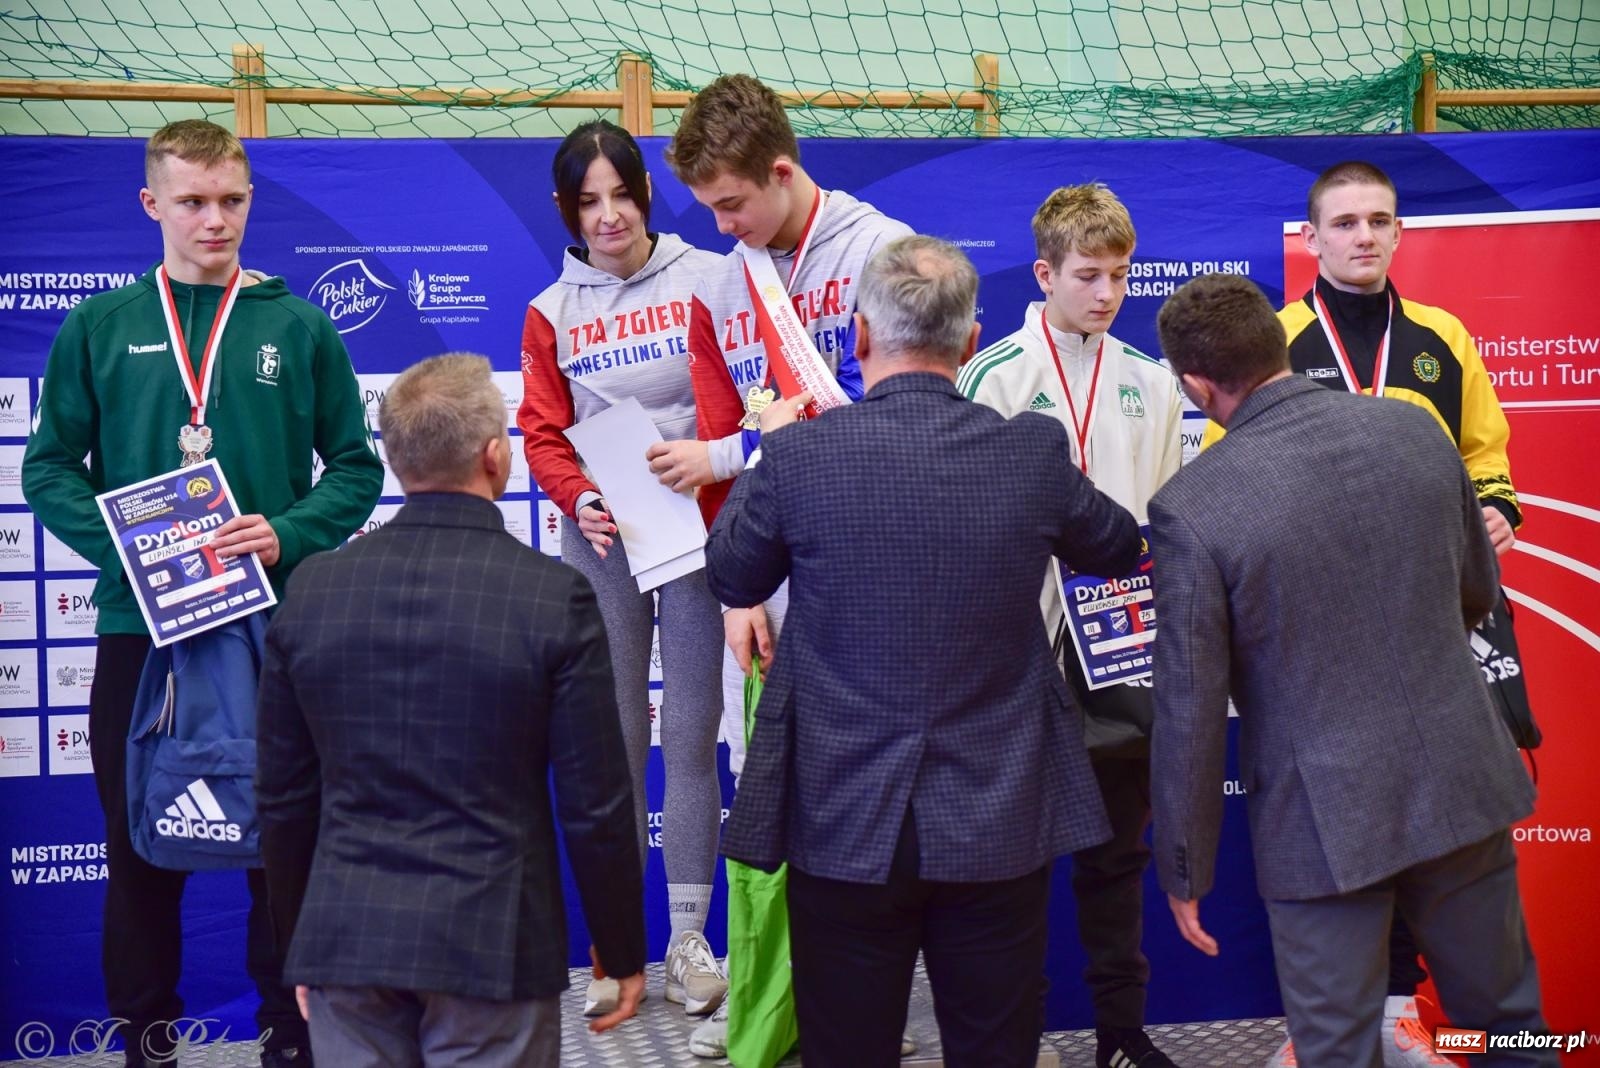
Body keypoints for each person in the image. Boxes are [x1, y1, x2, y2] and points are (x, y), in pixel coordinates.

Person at [707, 235, 1142, 1068]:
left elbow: (731, 569)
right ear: (972, 343)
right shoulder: (1032, 452)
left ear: (859, 340)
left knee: (847, 1048)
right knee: (994, 1046)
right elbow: (1119, 547)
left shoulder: (799, 456)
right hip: (998, 815)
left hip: (842, 819)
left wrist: (765, 438)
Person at [21, 118, 384, 1068]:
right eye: (191, 202)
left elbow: (353, 467)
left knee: (282, 843)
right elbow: (49, 467)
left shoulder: (298, 324)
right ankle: (147, 1042)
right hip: (141, 631)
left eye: (230, 200)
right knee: (139, 851)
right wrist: (130, 547)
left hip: (273, 628)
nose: (214, 220)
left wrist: (290, 531)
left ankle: (290, 1038)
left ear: (250, 199)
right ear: (153, 204)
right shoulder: (100, 325)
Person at [1147, 273, 1553, 1068]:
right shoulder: (1414, 431)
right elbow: (1476, 590)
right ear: (1279, 345)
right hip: (1462, 773)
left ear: (1196, 385)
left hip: (1320, 814)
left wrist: (1185, 866)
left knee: (1336, 1050)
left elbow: (1190, 709)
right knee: (1510, 1029)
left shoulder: (1192, 507)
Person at [256, 352, 647, 1066]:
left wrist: (299, 950)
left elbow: (282, 799)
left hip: (345, 944)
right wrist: (622, 949)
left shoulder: (312, 589)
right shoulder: (550, 596)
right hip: (494, 947)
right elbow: (595, 805)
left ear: (397, 459)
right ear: (496, 457)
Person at [1235, 160, 1524, 1068]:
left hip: (1432, 611)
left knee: (1433, 805)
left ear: (1399, 233)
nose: (1364, 236)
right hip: (1317, 628)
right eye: (1345, 222)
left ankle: (1410, 1007)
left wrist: (1497, 509)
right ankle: (1345, 1018)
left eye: (1379, 220)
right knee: (1338, 814)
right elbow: (1228, 476)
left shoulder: (1443, 337)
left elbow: (1486, 453)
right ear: (1311, 239)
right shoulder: (1272, 342)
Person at [648, 71, 913, 1057]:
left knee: (867, 807)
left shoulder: (882, 252)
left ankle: (866, 1013)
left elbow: (901, 420)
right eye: (708, 209)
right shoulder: (725, 281)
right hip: (771, 590)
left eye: (730, 204)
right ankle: (766, 1006)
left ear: (783, 171)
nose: (721, 227)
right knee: (764, 802)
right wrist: (740, 586)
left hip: (874, 585)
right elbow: (727, 440)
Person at [958, 183, 1182, 1068]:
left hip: (1122, 651)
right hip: (1018, 657)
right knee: (1009, 866)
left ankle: (1121, 1038)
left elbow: (1164, 516)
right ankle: (1013, 1037)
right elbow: (971, 524)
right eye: (1088, 275)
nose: (1107, 293)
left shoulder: (1150, 382)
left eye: (1121, 275)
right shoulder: (993, 377)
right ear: (1044, 272)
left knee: (1116, 856)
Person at [516, 119, 728, 1019]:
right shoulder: (549, 309)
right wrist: (577, 496)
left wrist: (707, 465)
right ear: (566, 208)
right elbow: (540, 428)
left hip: (696, 536)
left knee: (687, 736)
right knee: (607, 745)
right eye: (587, 201)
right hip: (602, 540)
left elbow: (727, 401)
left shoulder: (705, 279)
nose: (609, 217)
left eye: (623, 194)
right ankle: (615, 942)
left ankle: (687, 941)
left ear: (647, 191)